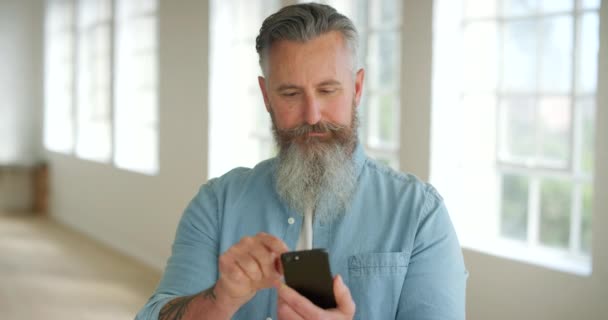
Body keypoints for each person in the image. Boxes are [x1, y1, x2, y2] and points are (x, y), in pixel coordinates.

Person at [135, 3, 467, 320]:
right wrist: (221, 298)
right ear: (266, 97)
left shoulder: (420, 215)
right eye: (291, 94)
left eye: (327, 90)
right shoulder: (217, 204)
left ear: (357, 88)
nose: (312, 115)